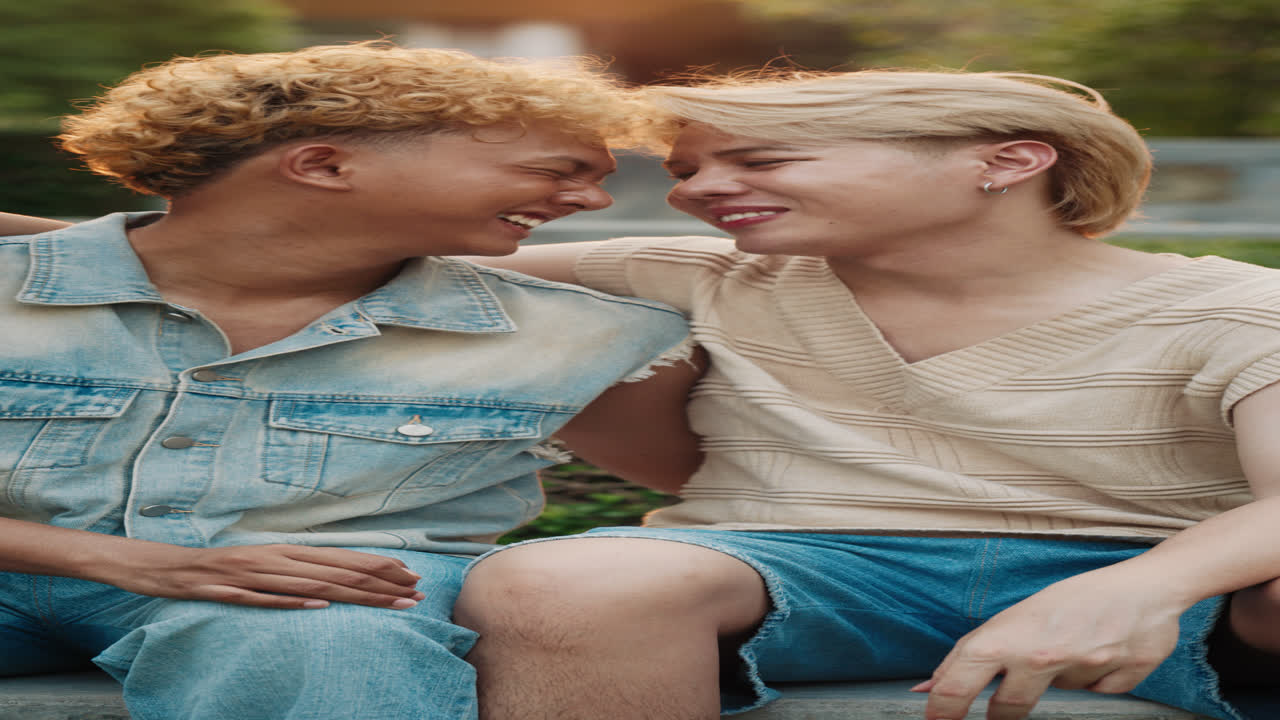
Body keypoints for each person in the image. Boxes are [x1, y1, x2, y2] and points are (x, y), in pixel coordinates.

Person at [451, 70, 1280, 720]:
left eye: (761, 159)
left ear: (1007, 161)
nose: (696, 190)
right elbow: (384, 266)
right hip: (803, 565)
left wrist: (1141, 586)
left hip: (1150, 562)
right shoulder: (700, 271)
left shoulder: (1235, 307)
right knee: (556, 582)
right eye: (688, 168)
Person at [0, 42, 702, 720]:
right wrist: (130, 562)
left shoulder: (589, 335)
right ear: (325, 166)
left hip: (323, 598)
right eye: (558, 170)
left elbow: (722, 484)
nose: (593, 201)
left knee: (330, 645)